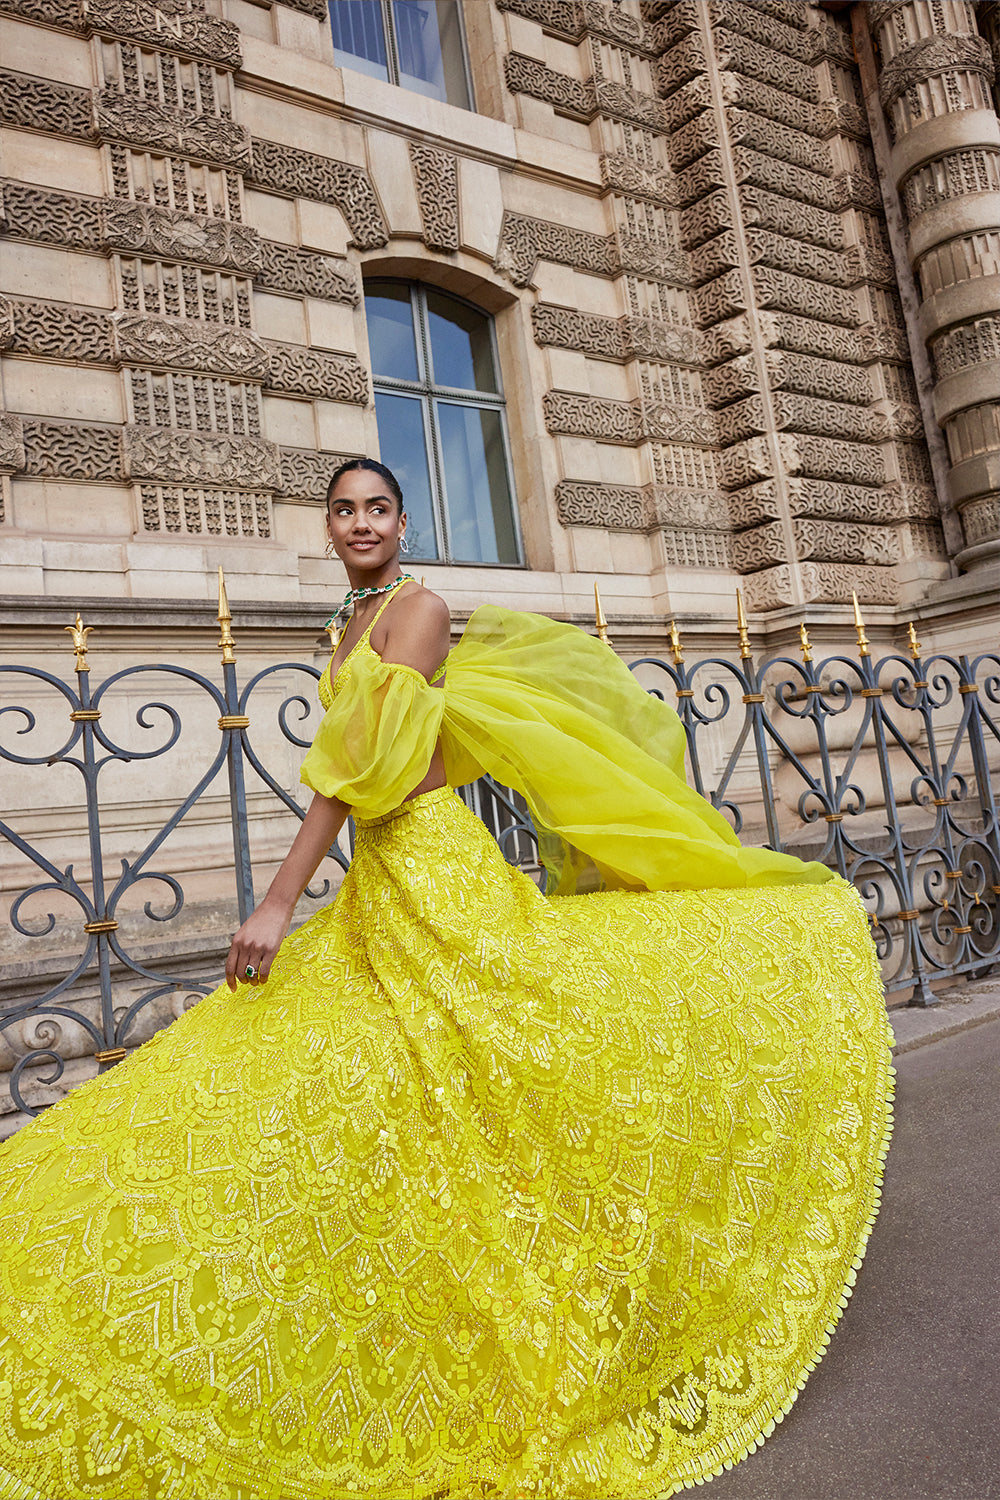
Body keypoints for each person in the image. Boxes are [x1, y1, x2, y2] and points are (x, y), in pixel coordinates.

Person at [0, 458, 893, 1500]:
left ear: (402, 520)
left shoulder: (416, 611)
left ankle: (586, 1264)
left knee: (495, 1049)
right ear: (327, 528)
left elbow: (356, 777)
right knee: (366, 1080)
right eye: (344, 510)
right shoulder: (349, 618)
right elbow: (370, 764)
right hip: (381, 880)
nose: (361, 522)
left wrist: (277, 900)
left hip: (431, 869)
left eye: (378, 508)